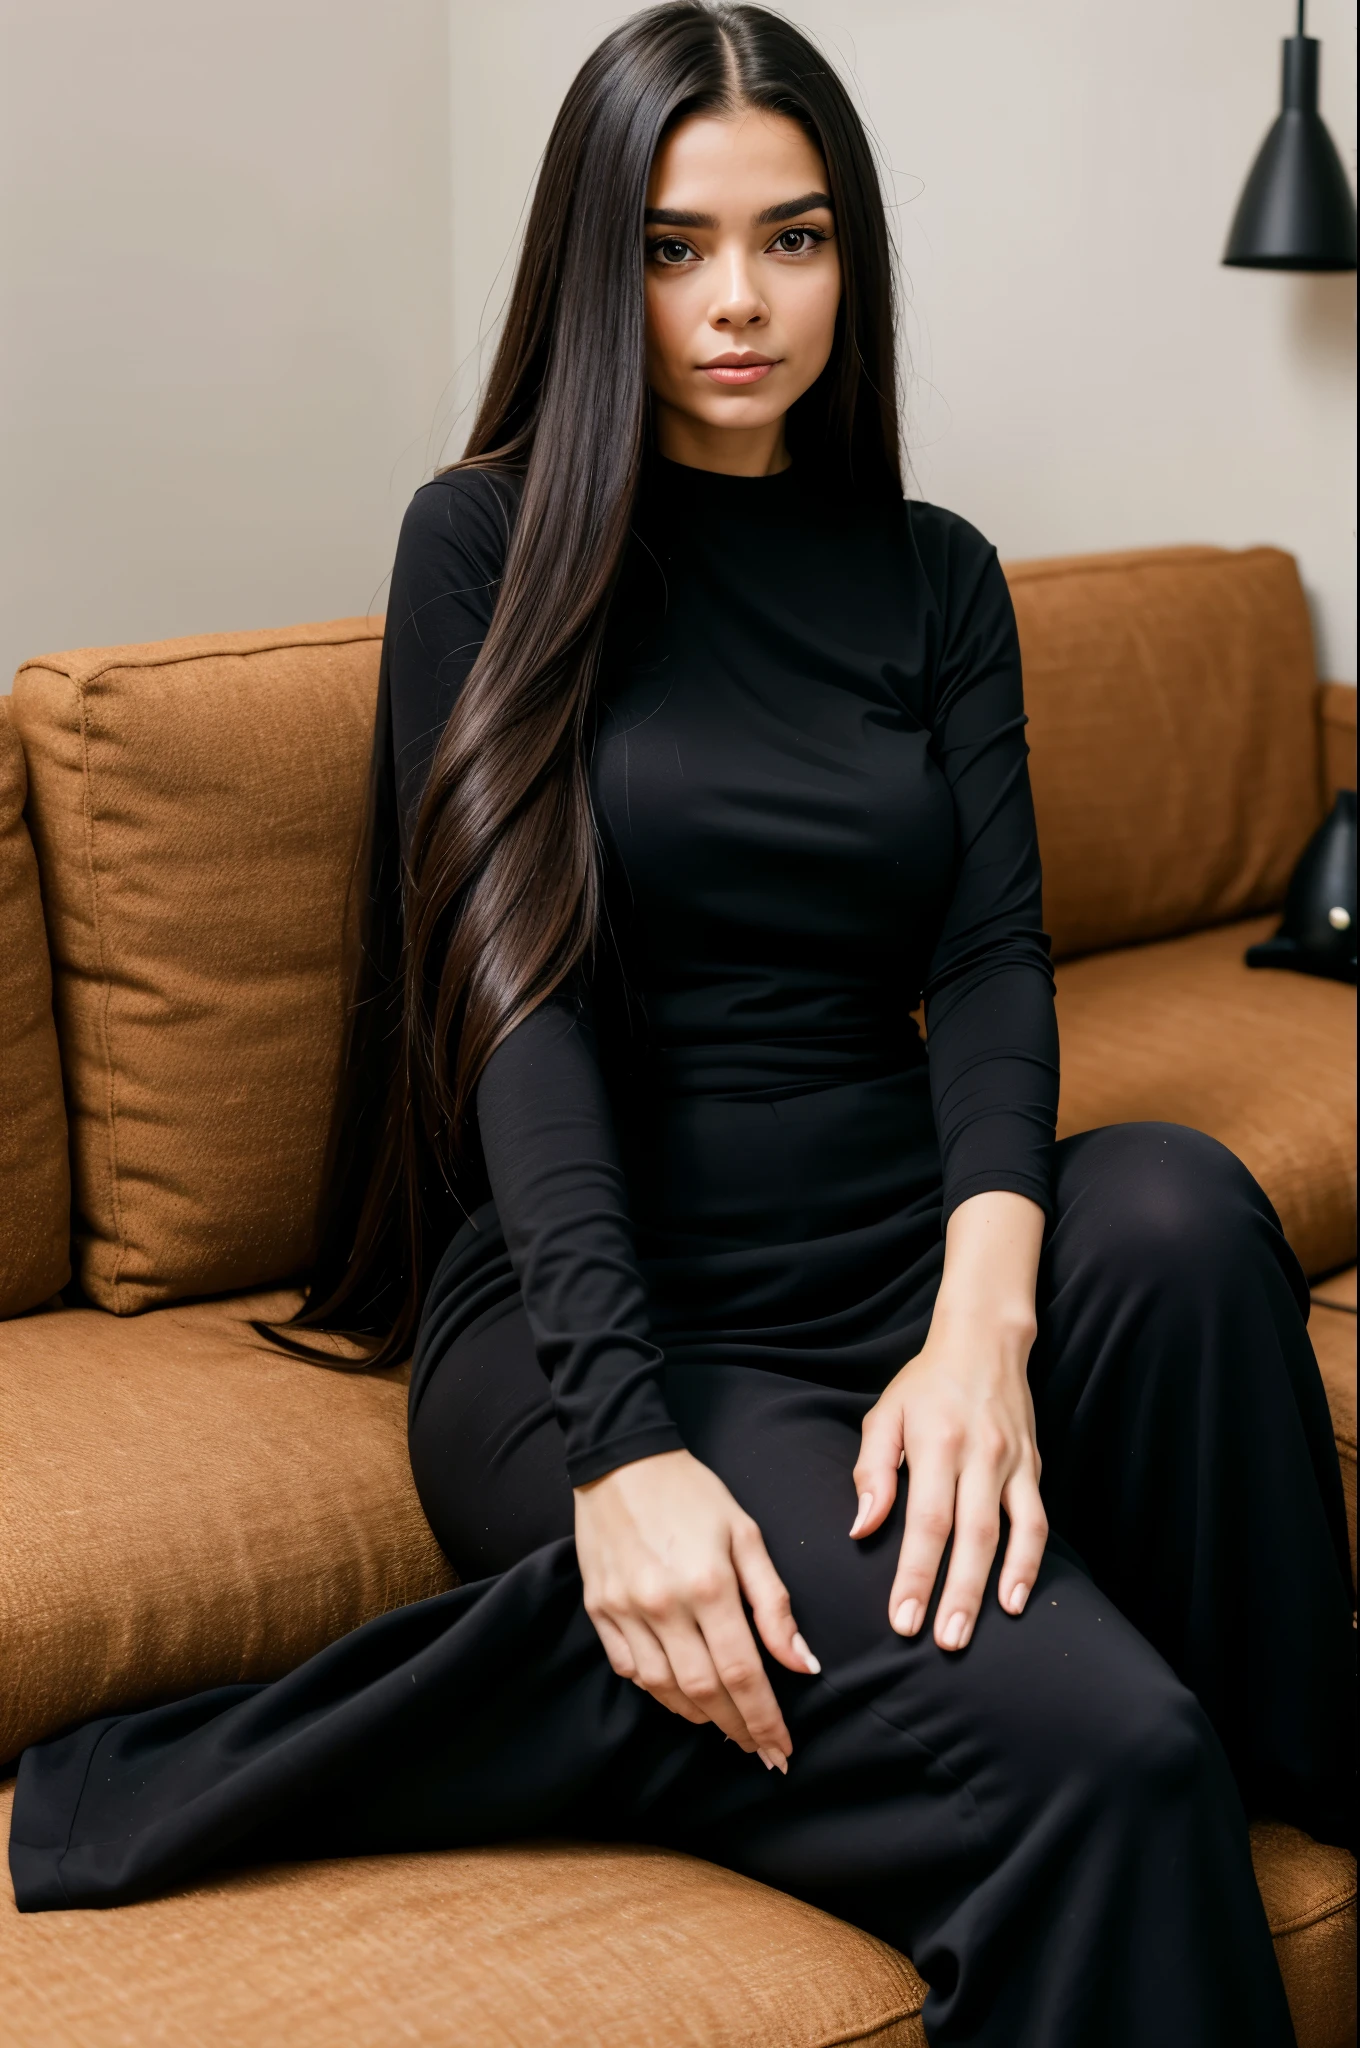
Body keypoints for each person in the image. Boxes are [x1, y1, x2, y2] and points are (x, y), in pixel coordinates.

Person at [10, 7, 1353, 2042]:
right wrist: (618, 1444)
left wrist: (976, 1320)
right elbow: (515, 1002)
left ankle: (1298, 1781)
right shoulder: (484, 543)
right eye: (669, 244)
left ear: (849, 258)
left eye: (790, 239)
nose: (736, 300)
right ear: (592, 262)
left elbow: (990, 958)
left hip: (885, 1234)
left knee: (1174, 1210)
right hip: (606, 1300)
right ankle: (712, 1689)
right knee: (1108, 1755)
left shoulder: (934, 577)